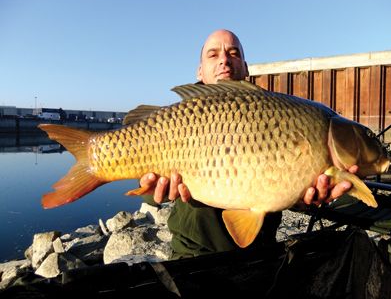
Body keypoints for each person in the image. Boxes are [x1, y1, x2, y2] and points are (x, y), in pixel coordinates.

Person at [139, 29, 358, 258]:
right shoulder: (180, 119)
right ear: (200, 71)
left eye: (233, 53)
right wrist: (156, 191)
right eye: (213, 55)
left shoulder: (275, 113)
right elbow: (146, 185)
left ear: (245, 68)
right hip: (192, 254)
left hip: (260, 253)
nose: (224, 59)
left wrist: (305, 200)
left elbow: (286, 183)